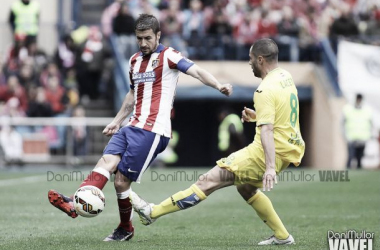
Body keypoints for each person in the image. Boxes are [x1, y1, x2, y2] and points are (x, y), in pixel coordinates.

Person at [47, 14, 232, 242]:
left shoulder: (169, 56)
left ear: (158, 35)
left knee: (121, 181)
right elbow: (132, 94)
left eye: (147, 38)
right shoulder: (134, 60)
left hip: (153, 131)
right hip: (130, 125)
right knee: (105, 163)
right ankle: (76, 203)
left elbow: (196, 71)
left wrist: (218, 85)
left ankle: (125, 228)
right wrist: (116, 121)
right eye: (139, 39)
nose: (143, 43)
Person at [131, 38, 305, 246]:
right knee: (246, 188)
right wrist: (259, 116)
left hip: (265, 152)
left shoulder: (264, 90)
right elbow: (284, 113)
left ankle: (152, 212)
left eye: (250, 59)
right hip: (290, 147)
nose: (249, 63)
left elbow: (267, 130)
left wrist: (269, 167)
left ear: (260, 59)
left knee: (207, 181)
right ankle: (283, 236)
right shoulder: (286, 76)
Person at [343, 94, 373, 169]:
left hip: (362, 139)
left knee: (360, 159)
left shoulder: (367, 110)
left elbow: (371, 124)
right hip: (351, 138)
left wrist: (369, 136)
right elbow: (342, 123)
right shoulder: (348, 109)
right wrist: (345, 136)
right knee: (350, 158)